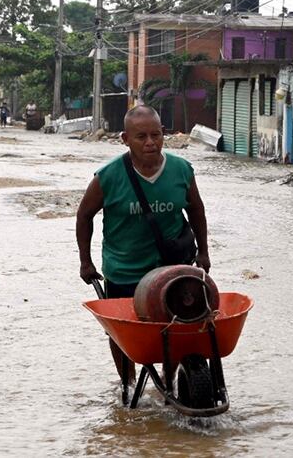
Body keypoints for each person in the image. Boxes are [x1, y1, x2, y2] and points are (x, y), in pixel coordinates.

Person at [75, 105, 210, 387]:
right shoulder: (108, 176)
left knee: (181, 326)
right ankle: (127, 382)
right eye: (141, 137)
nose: (150, 143)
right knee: (121, 332)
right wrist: (85, 261)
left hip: (171, 269)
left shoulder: (181, 170)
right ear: (125, 139)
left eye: (156, 135)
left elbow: (196, 210)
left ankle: (169, 378)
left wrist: (203, 251)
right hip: (125, 270)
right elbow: (84, 215)